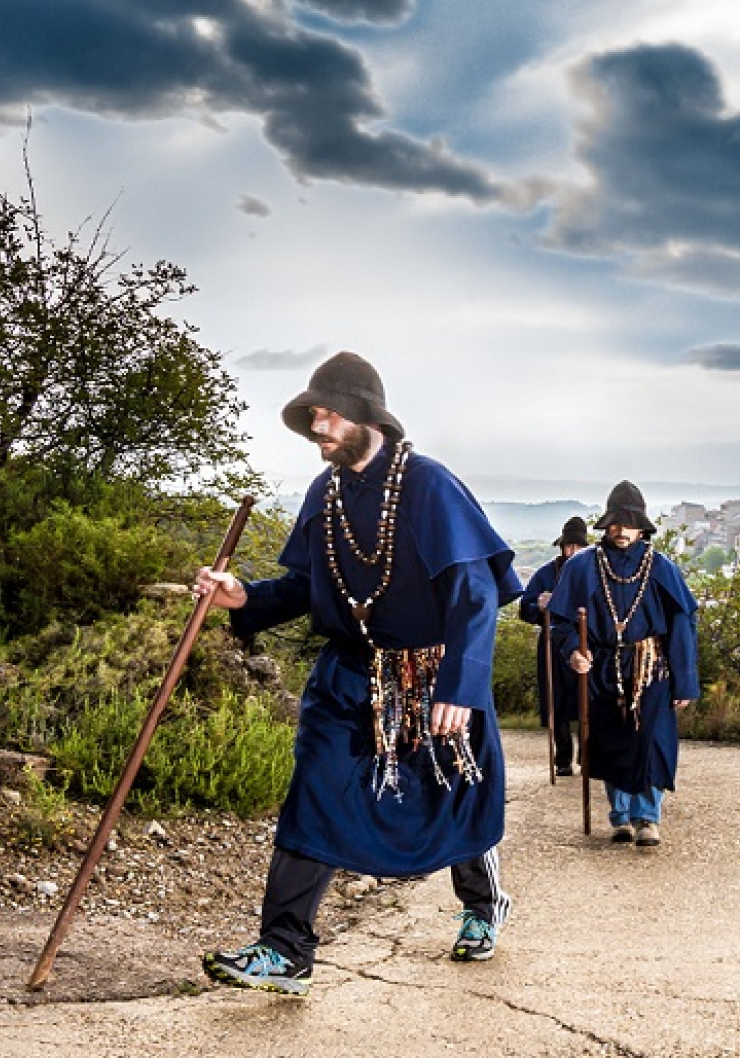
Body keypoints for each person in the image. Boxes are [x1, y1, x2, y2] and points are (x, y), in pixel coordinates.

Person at [191, 351, 523, 997]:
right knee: (314, 793)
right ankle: (285, 950)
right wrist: (243, 597)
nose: (319, 425)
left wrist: (461, 685)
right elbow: (304, 586)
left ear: (369, 419)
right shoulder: (326, 493)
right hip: (347, 678)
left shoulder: (429, 485)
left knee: (451, 795)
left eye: (330, 414)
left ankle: (482, 908)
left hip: (429, 674)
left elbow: (475, 594)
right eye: (313, 415)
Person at [546, 481, 699, 847]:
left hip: (651, 667)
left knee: (650, 742)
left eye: (629, 524)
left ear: (642, 527)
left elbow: (682, 624)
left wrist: (685, 681)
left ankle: (648, 818)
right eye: (615, 523)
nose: (621, 531)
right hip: (603, 669)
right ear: (606, 525)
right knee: (612, 742)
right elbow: (561, 622)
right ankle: (620, 817)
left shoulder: (661, 567)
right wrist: (573, 651)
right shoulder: (582, 566)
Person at [518, 517, 589, 776]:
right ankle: (563, 760)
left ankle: (588, 757)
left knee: (587, 701)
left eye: (577, 547)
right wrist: (539, 605)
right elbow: (524, 609)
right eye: (568, 546)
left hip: (584, 644)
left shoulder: (592, 571)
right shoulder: (546, 573)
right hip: (551, 645)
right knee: (556, 702)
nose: (571, 552)